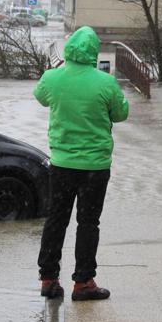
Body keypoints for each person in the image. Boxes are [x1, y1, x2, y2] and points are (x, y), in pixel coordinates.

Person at [35, 26, 129, 301]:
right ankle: (83, 282)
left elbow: (40, 96)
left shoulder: (52, 78)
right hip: (95, 166)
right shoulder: (105, 82)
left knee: (56, 219)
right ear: (93, 52)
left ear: (69, 50)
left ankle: (49, 278)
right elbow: (121, 113)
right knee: (88, 222)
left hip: (62, 163)